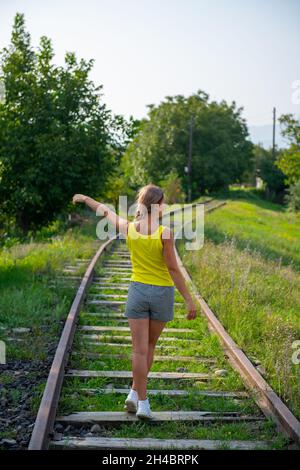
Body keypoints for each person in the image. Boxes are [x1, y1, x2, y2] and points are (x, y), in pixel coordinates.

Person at [72, 184, 198, 419]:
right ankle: (143, 403)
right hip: (161, 294)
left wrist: (85, 197)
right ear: (158, 206)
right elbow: (173, 269)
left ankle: (135, 394)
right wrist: (189, 300)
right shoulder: (165, 234)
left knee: (138, 351)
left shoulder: (129, 228)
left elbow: (104, 211)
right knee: (149, 347)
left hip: (137, 292)